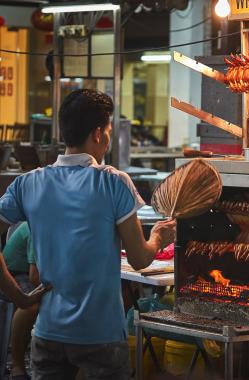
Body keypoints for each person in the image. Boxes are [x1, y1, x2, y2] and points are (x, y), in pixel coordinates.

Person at [0, 89, 176, 380]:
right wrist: (159, 237)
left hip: (48, 333)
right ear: (97, 134)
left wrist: (18, 297)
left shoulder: (28, 184)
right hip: (101, 336)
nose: (107, 138)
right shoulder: (113, 182)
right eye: (107, 130)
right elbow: (140, 258)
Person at [0, 222, 39, 380]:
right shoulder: (36, 227)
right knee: (31, 305)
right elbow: (35, 277)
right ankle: (17, 366)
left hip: (24, 272)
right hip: (12, 274)